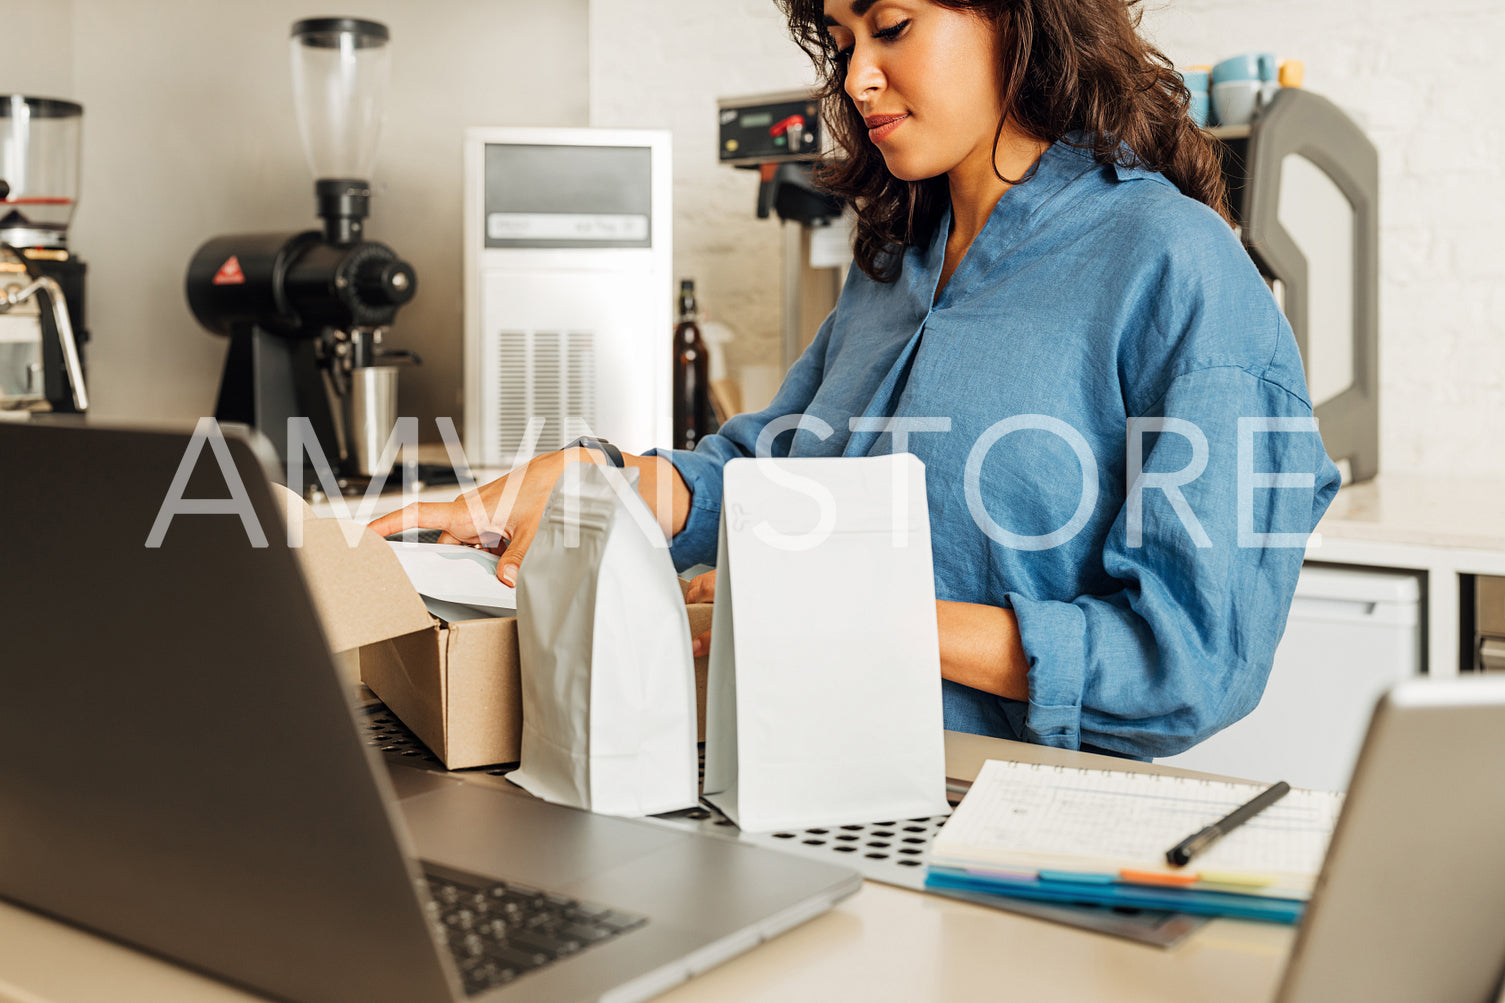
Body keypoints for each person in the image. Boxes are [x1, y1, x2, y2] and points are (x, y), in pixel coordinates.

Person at [371, 0, 1341, 760]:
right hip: (793, 782)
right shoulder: (892, 268)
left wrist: (862, 613)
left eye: (890, 28)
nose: (856, 78)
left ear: (1019, 18)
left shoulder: (1173, 265)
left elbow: (1189, 665)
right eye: (839, 40)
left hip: (1006, 822)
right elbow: (763, 476)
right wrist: (602, 484)